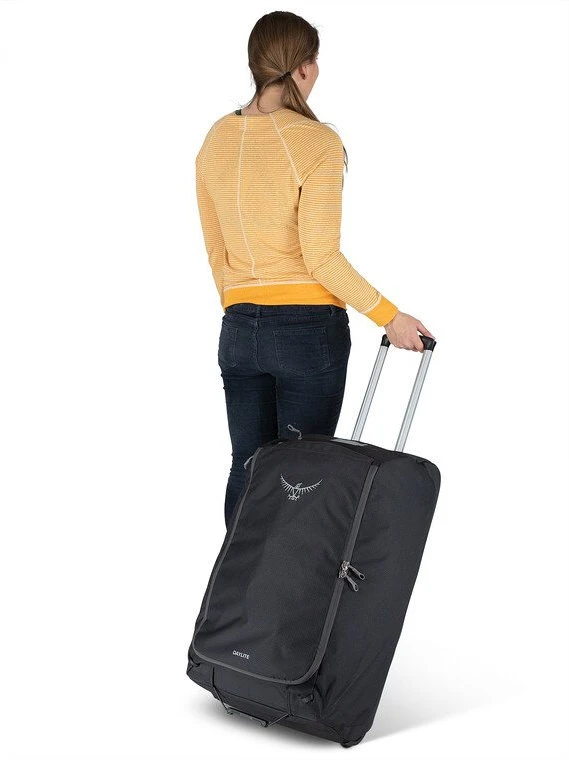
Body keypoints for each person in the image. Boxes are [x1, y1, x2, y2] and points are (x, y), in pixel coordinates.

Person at [195, 11, 435, 527]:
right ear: (302, 68)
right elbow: (320, 256)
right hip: (306, 335)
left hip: (238, 330)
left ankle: (237, 580)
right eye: (315, 60)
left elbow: (216, 251)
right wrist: (389, 316)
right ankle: (295, 581)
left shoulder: (215, 140)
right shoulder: (316, 141)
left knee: (248, 467)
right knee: (300, 480)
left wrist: (244, 310)